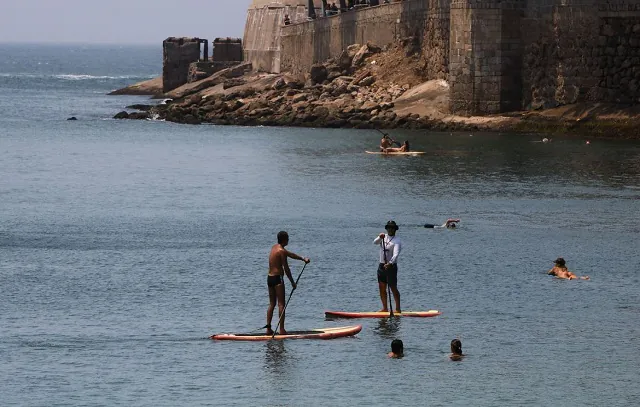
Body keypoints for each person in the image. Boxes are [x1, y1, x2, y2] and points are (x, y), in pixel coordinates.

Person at [266, 231, 310, 335]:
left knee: (272, 303)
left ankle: (268, 328)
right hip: (278, 279)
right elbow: (286, 269)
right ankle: (281, 329)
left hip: (269, 278)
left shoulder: (274, 248)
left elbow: (290, 254)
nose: (289, 240)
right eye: (288, 238)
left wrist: (302, 258)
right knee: (281, 304)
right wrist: (292, 283)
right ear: (285, 239)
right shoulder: (282, 251)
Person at [373, 220, 402, 313]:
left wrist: (390, 263)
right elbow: (375, 242)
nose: (390, 229)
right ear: (387, 228)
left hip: (391, 267)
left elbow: (396, 254)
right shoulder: (383, 237)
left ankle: (397, 309)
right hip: (381, 265)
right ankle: (385, 308)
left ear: (395, 229)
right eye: (389, 227)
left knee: (393, 288)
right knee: (382, 287)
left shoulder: (397, 241)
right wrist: (379, 237)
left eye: (392, 228)